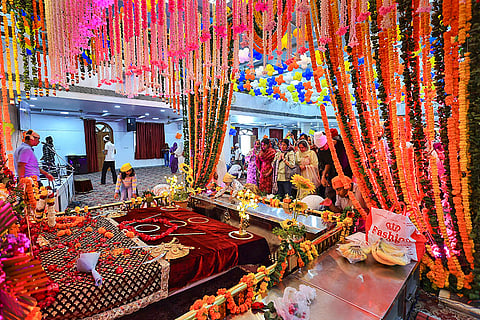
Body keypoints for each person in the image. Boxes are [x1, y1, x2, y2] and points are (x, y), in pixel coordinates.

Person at [315, 132, 335, 198]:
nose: (322, 149)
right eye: (320, 148)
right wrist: (323, 176)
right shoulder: (321, 151)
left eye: (323, 147)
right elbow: (327, 163)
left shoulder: (338, 146)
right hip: (330, 175)